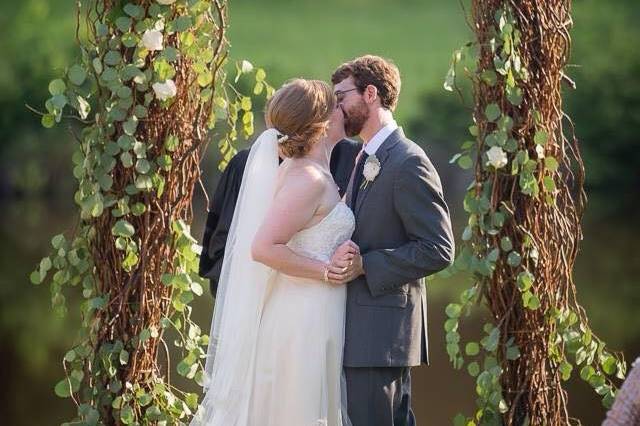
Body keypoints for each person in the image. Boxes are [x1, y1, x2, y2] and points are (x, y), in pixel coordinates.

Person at [191, 79, 358, 426]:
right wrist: (326, 268)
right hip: (300, 317)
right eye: (336, 105)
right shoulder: (307, 179)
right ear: (324, 123)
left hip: (314, 310)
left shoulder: (311, 173)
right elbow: (263, 247)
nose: (344, 110)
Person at [327, 55, 455, 425]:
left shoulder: (407, 161)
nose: (337, 107)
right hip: (362, 334)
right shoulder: (363, 157)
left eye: (341, 96)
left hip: (380, 338)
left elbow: (439, 248)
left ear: (371, 94)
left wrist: (366, 264)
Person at [198, 132, 359, 297]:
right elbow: (221, 247)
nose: (339, 107)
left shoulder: (355, 157)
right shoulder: (245, 165)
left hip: (332, 299)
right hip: (265, 298)